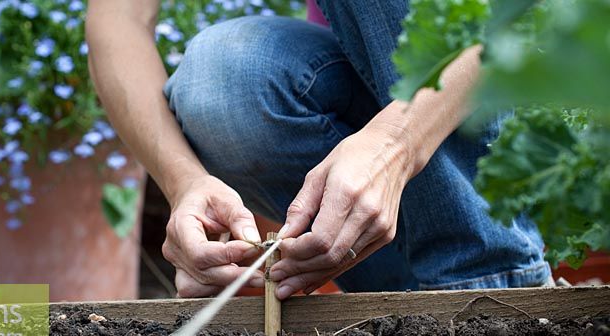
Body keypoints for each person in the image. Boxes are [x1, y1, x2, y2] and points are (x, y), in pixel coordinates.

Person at [86, 0, 551, 299]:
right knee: (224, 81)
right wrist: (183, 181)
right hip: (375, 94)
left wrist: (397, 145)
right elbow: (117, 19)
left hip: (517, 92)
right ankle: (407, 302)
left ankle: (499, 281)